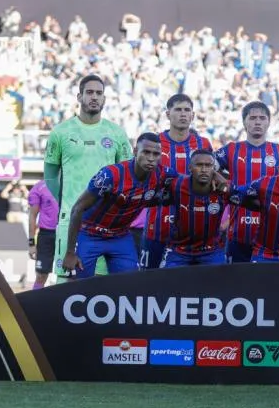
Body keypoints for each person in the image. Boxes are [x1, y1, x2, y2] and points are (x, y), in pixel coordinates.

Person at [43, 74, 132, 280]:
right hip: (70, 220)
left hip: (105, 222)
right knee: (65, 280)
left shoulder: (116, 133)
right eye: (89, 92)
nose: (94, 97)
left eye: (99, 93)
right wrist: (67, 205)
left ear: (104, 99)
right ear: (79, 96)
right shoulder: (60, 132)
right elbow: (50, 176)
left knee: (101, 284)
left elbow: (126, 175)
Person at [62, 134, 174, 279]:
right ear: (135, 152)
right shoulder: (110, 175)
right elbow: (77, 208)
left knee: (128, 285)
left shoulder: (163, 174)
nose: (151, 158)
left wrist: (214, 176)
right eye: (146, 152)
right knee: (79, 285)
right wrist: (70, 252)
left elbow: (189, 182)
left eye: (156, 154)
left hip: (120, 236)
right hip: (90, 234)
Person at [139, 93, 214, 270]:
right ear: (167, 114)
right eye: (178, 109)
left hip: (193, 233)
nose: (183, 114)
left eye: (187, 110)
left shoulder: (203, 143)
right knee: (148, 283)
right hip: (157, 227)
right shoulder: (154, 143)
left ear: (193, 115)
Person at [214, 101, 279, 263]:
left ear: (269, 122)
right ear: (244, 122)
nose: (257, 122)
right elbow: (206, 168)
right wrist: (225, 187)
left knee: (267, 285)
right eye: (252, 118)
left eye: (262, 118)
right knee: (237, 285)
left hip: (271, 234)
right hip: (237, 233)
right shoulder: (231, 149)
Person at [160, 149, 229, 268]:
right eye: (199, 165)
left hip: (211, 251)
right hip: (179, 250)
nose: (203, 170)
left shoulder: (223, 188)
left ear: (214, 168)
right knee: (168, 284)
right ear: (190, 168)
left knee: (219, 285)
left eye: (208, 166)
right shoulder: (176, 184)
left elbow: (245, 201)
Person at [26, 179, 59, 290]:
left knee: (69, 274)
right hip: (46, 235)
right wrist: (31, 243)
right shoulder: (39, 187)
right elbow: (32, 216)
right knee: (41, 275)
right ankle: (34, 303)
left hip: (66, 234)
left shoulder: (70, 183)